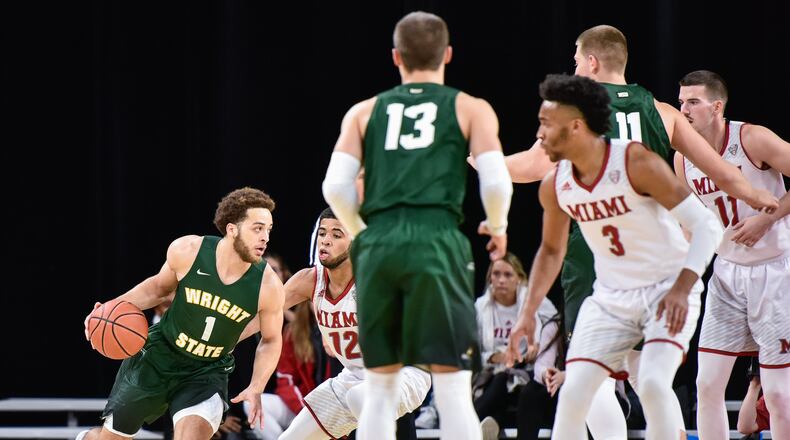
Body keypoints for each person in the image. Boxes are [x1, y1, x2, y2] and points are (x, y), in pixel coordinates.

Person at [472, 24, 775, 439]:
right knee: (586, 387)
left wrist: (485, 163)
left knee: (644, 383)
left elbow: (529, 163)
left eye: (576, 59)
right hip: (609, 280)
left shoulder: (624, 156)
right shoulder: (658, 114)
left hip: (656, 271)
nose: (542, 137)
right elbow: (720, 170)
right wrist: (753, 195)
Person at [321, 11, 513, 440]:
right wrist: (497, 226)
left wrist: (361, 228)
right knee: (452, 388)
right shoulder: (469, 107)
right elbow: (497, 181)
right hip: (437, 240)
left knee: (379, 386)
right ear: (447, 54)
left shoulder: (364, 112)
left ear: (395, 57)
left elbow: (335, 186)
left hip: (379, 243)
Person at [505, 73, 723, 439]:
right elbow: (552, 250)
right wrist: (526, 317)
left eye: (546, 124)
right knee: (575, 393)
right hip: (609, 297)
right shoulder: (554, 183)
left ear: (575, 126)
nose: (539, 135)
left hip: (665, 288)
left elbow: (707, 227)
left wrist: (682, 288)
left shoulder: (635, 161)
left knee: (652, 384)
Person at [79, 187, 286, 440]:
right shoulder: (189, 250)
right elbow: (158, 289)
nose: (265, 237)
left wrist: (257, 386)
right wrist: (110, 308)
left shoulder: (269, 285)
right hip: (159, 357)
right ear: (232, 229)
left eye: (268, 229)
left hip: (206, 371)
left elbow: (272, 339)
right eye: (257, 228)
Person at [674, 70, 790, 440]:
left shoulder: (751, 137)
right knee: (707, 385)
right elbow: (687, 226)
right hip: (726, 274)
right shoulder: (682, 158)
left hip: (775, 271)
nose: (684, 109)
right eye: (680, 102)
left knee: (777, 394)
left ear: (716, 106)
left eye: (693, 101)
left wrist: (765, 220)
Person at [245, 208, 430, 440]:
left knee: (360, 398)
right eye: (322, 233)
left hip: (403, 372)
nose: (326, 240)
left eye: (336, 234)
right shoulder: (309, 280)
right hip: (353, 376)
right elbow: (261, 315)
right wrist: (223, 342)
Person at [473, 253, 559, 439]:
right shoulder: (480, 308)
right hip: (490, 374)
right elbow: (468, 352)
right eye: (496, 274)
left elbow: (556, 329)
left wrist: (538, 347)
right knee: (501, 380)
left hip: (528, 371)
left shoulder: (537, 302)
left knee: (509, 383)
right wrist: (493, 357)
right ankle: (488, 423)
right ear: (489, 278)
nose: (501, 280)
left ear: (520, 278)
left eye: (508, 274)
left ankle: (470, 427)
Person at [246, 301, 341, 440]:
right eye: (314, 300)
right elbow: (285, 379)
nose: (321, 305)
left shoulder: (346, 331)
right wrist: (306, 410)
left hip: (334, 409)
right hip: (302, 405)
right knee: (251, 403)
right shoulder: (294, 331)